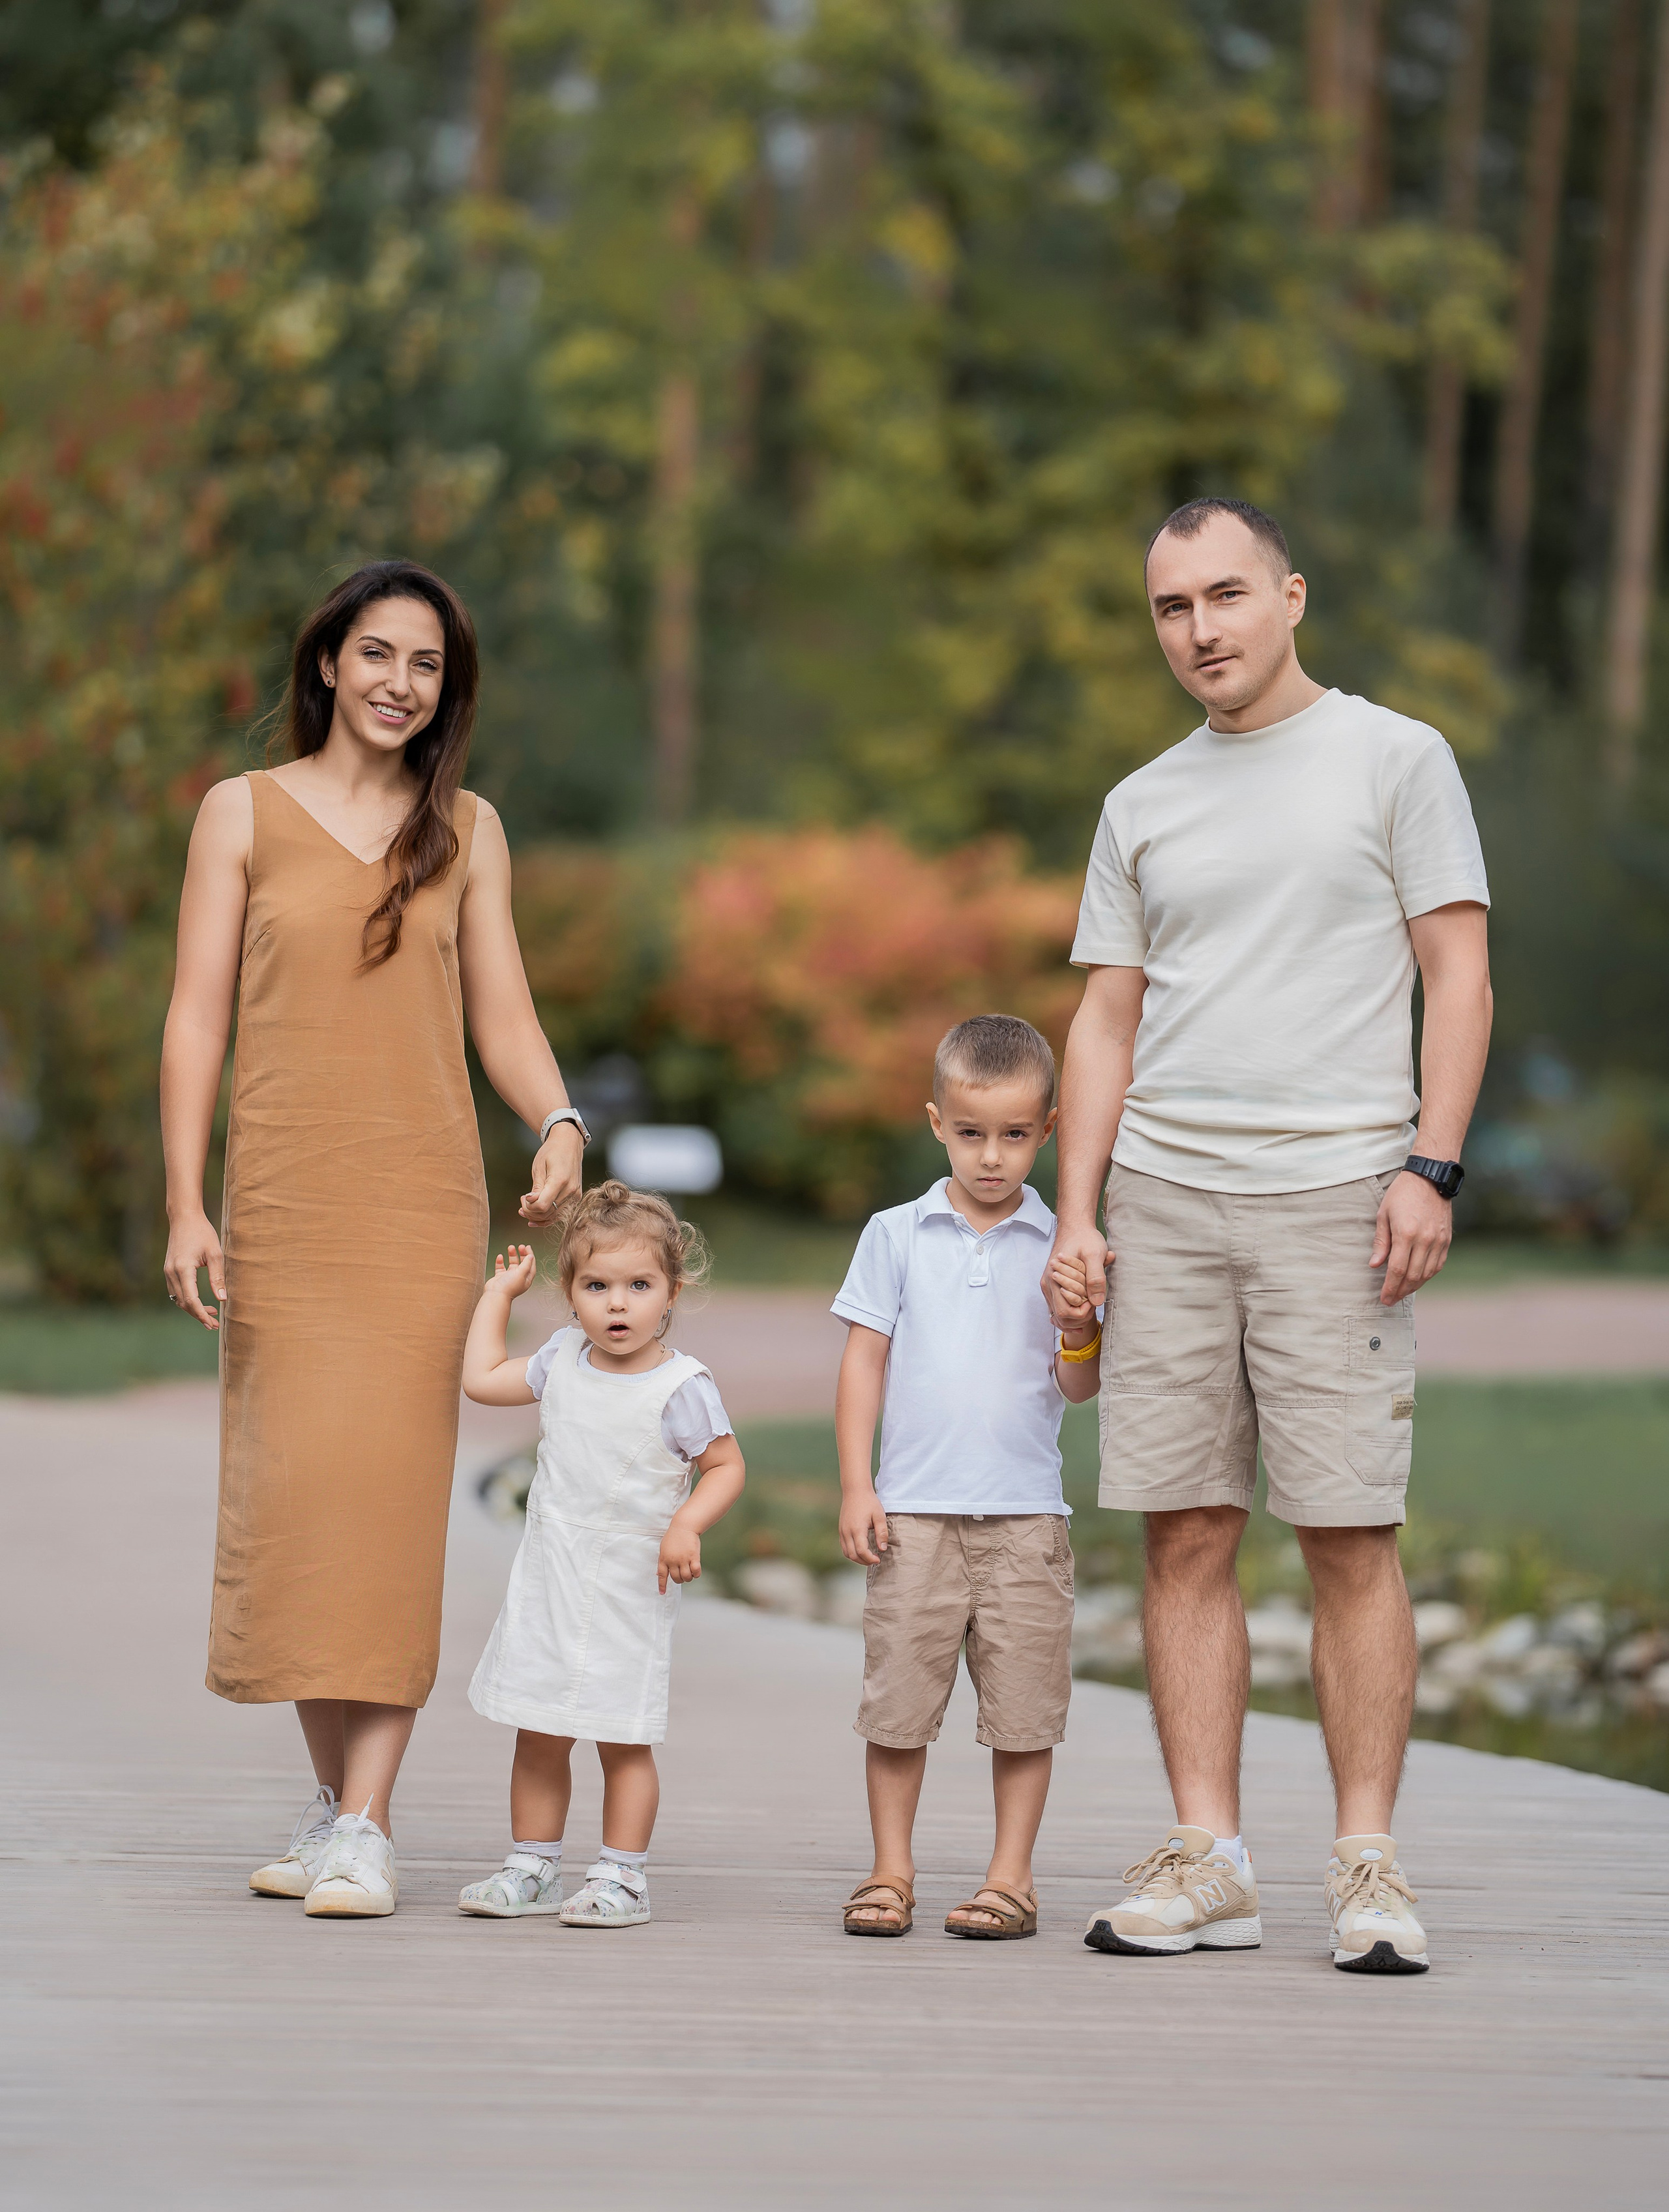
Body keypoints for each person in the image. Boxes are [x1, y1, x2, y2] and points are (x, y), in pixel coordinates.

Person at [1046, 497, 1492, 1975]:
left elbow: (1455, 967)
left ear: (1290, 594)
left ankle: (1365, 1863)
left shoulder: (1393, 758)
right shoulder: (1140, 801)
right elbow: (1102, 1014)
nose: (1198, 631)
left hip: (1337, 1198)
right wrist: (1081, 1209)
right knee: (1180, 1531)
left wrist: (1429, 1162)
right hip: (1165, 1200)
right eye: (1170, 608)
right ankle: (1207, 1854)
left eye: (1223, 595)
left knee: (1347, 1533)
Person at [160, 559, 589, 1919]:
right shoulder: (240, 814)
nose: (402, 684)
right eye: (380, 654)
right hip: (283, 1205)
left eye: (428, 667)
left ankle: (369, 1819)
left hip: (416, 1210)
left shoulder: (466, 829)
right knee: (300, 1507)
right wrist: (188, 1198)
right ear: (331, 661)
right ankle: (331, 1798)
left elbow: (504, 1017)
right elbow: (195, 1018)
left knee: (391, 1511)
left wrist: (558, 1115)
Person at [833, 1016, 1099, 1941]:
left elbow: (1079, 1383)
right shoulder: (896, 1233)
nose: (993, 1157)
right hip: (913, 1512)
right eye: (973, 1133)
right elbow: (864, 1362)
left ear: (1050, 1129)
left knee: (1024, 1712)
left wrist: (1079, 1323)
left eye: (1016, 1135)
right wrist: (858, 1485)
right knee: (898, 1706)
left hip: (1026, 1516)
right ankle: (890, 1870)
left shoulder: (1063, 1243)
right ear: (937, 1123)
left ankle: (1009, 1878)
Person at [458, 1182, 745, 1928]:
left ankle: (622, 1876)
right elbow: (482, 1380)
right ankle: (533, 1865)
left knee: (623, 1737)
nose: (618, 1305)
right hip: (551, 1579)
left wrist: (688, 1524)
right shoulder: (562, 1360)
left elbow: (725, 1466)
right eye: (597, 1286)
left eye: (639, 1286)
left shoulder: (682, 1387)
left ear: (672, 1293)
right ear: (571, 1294)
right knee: (539, 1729)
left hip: (628, 1585)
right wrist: (497, 1296)